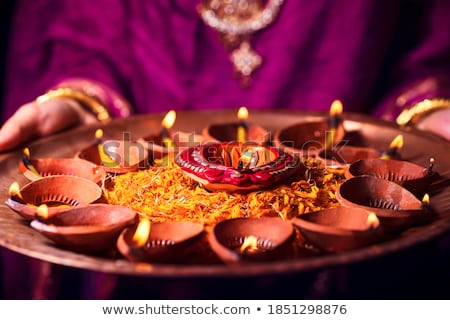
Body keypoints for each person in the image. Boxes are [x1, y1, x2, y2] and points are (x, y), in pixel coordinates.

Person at [0, 0, 450, 299]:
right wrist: (79, 105)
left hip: (339, 213)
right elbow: (86, 37)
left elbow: (419, 44)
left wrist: (427, 116)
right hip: (140, 222)